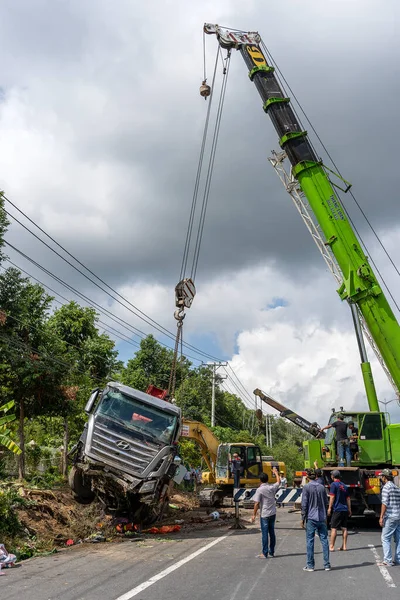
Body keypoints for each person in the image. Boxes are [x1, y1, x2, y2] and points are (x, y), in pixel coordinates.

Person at [301, 468, 330, 571]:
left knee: (310, 541)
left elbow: (304, 504)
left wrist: (302, 518)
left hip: (311, 517)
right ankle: (326, 565)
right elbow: (326, 502)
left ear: (308, 477)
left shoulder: (306, 487)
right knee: (324, 540)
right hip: (321, 517)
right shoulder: (322, 487)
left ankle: (310, 565)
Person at [251, 467, 281, 558]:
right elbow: (279, 482)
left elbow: (256, 503)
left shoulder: (260, 490)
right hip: (273, 513)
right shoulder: (272, 487)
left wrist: (254, 515)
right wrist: (275, 472)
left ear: (260, 480)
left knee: (265, 534)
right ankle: (271, 551)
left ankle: (264, 553)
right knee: (272, 532)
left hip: (264, 514)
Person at [378, 468, 400, 566]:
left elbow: (384, 503)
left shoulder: (386, 487)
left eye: (382, 476)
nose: (381, 478)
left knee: (385, 538)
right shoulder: (396, 487)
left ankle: (387, 560)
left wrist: (381, 516)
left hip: (390, 516)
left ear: (385, 477)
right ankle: (398, 559)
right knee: (398, 538)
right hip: (398, 515)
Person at [328, 470, 351, 551]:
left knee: (333, 528)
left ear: (333, 476)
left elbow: (332, 497)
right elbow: (348, 499)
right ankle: (344, 546)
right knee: (344, 528)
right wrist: (349, 509)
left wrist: (330, 508)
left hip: (337, 509)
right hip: (344, 509)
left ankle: (331, 546)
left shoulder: (333, 485)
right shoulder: (344, 486)